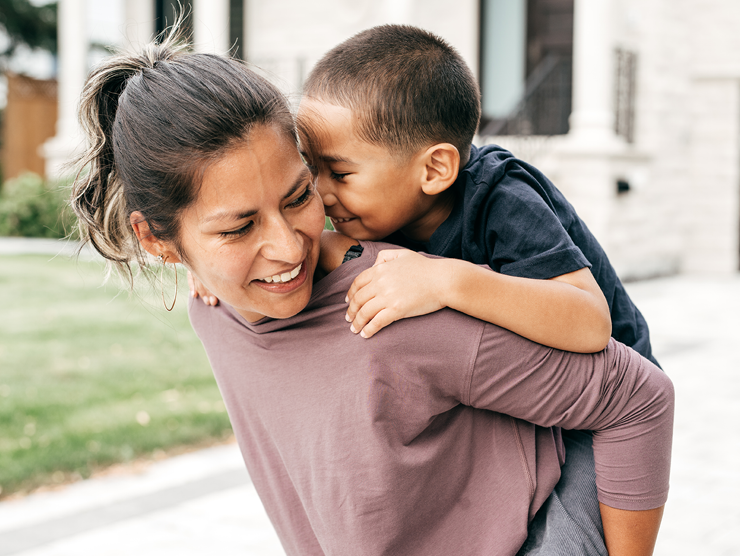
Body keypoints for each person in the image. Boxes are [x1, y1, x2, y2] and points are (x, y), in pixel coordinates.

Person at [71, 34, 673, 556]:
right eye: (237, 228)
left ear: (433, 169)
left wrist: (444, 279)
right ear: (161, 242)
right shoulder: (219, 300)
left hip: (594, 393)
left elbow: (611, 356)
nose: (291, 246)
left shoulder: (472, 227)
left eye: (299, 195)